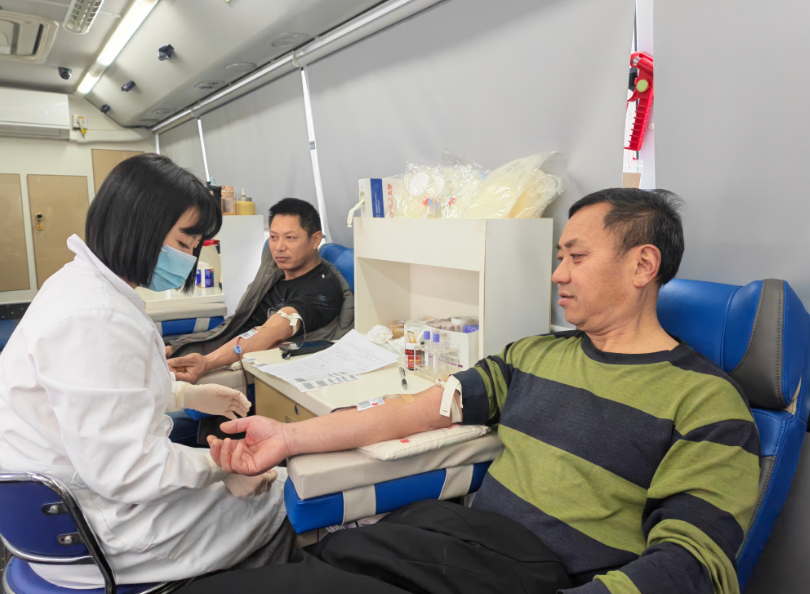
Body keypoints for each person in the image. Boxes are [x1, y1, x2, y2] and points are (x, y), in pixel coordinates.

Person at [198, 188, 760, 594]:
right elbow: (415, 410)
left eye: (576, 257)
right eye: (559, 258)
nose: (558, 274)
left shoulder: (705, 403)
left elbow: (695, 561)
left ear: (643, 265)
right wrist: (288, 439)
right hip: (447, 541)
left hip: (536, 572)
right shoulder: (534, 356)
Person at [0, 154, 292, 588]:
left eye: (195, 247)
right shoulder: (95, 316)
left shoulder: (80, 285)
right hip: (93, 528)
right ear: (140, 224)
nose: (189, 258)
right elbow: (126, 469)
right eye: (184, 242)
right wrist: (226, 467)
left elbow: (99, 393)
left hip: (64, 507)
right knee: (283, 493)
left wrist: (184, 394)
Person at [165, 197, 353, 385]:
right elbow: (240, 321)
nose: (279, 247)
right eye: (273, 237)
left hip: (245, 362)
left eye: (290, 238)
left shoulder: (323, 290)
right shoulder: (274, 269)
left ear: (315, 240)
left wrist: (208, 362)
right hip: (224, 342)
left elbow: (268, 332)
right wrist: (178, 346)